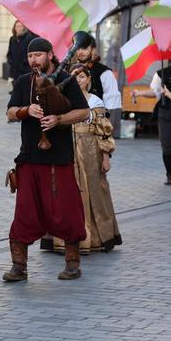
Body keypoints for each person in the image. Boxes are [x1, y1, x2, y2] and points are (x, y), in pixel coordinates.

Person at [4, 37, 89, 281]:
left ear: (50, 55)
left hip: (58, 158)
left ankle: (73, 263)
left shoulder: (66, 80)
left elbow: (83, 111)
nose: (34, 60)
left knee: (65, 210)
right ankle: (19, 267)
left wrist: (59, 120)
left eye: (38, 55)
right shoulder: (23, 82)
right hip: (29, 157)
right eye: (31, 56)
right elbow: (10, 112)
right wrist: (25, 111)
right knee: (25, 212)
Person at [52, 64, 121, 254]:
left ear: (89, 79)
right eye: (74, 76)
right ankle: (62, 238)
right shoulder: (64, 100)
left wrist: (106, 156)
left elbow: (104, 132)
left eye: (82, 76)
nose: (78, 80)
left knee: (94, 191)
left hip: (90, 150)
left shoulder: (95, 102)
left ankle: (98, 237)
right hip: (68, 148)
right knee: (67, 191)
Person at [132, 60, 171, 185]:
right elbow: (155, 92)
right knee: (167, 146)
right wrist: (139, 93)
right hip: (164, 113)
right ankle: (169, 175)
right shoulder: (161, 72)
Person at [75, 34, 122, 121]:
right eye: (77, 48)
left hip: (95, 125)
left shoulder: (105, 73)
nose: (80, 52)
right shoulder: (69, 70)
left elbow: (111, 108)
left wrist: (105, 131)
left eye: (84, 48)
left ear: (93, 50)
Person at [6, 20, 35, 93]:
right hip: (14, 69)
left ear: (24, 28)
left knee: (25, 90)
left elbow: (31, 52)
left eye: (20, 26)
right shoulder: (12, 39)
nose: (18, 28)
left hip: (25, 69)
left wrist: (25, 61)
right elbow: (9, 53)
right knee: (16, 90)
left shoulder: (28, 38)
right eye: (17, 26)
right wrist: (10, 61)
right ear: (14, 28)